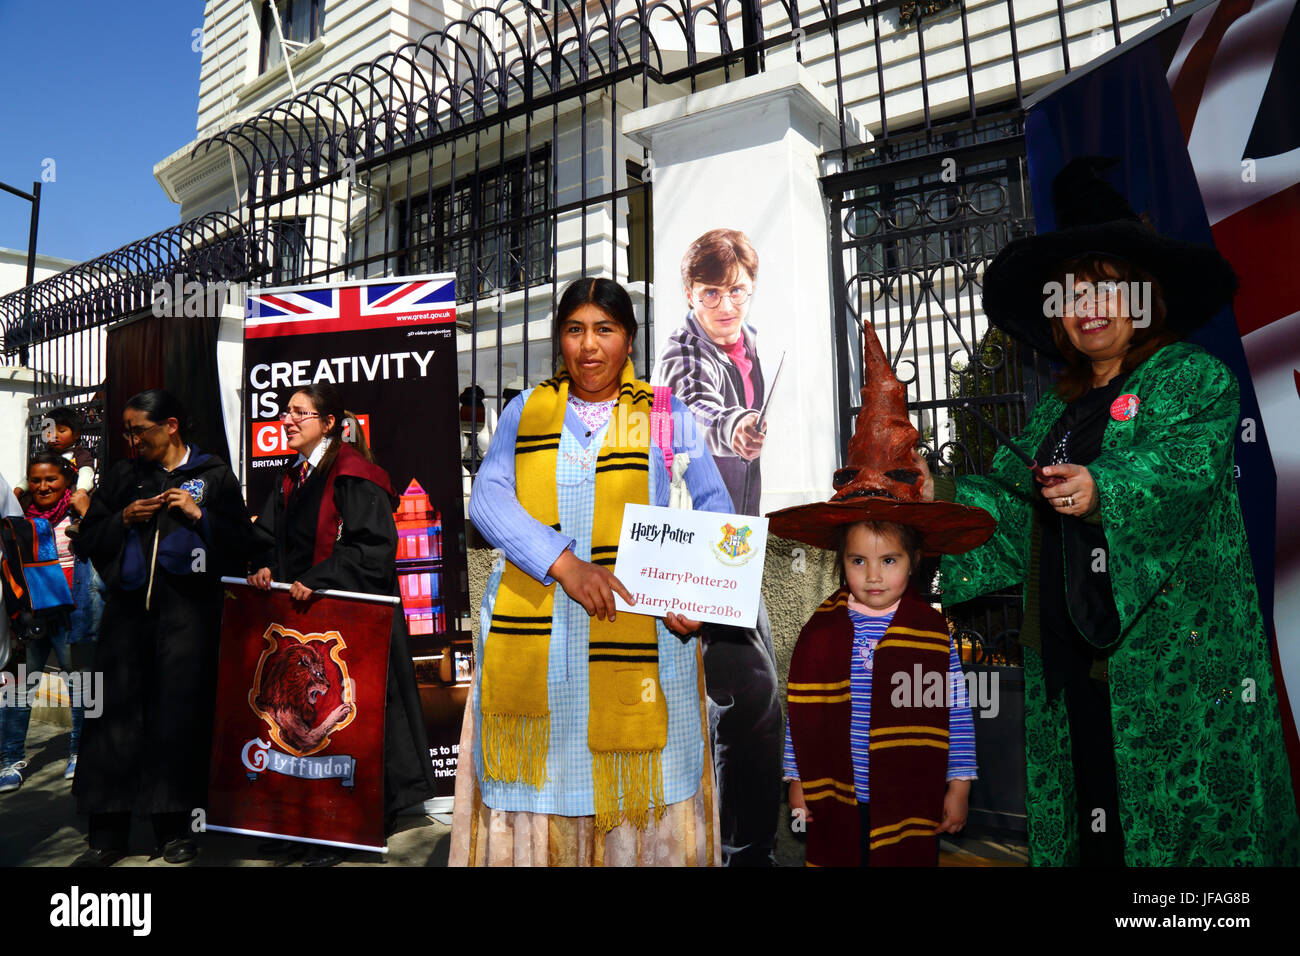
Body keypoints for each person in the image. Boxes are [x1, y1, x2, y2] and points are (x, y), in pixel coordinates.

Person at [914, 156, 1300, 865]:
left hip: (1175, 688)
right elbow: (1007, 514)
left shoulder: (1192, 379)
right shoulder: (1051, 415)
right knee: (1100, 842)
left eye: (1109, 289)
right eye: (1072, 292)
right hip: (1073, 679)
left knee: (1185, 852)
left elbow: (1176, 474)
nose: (1088, 306)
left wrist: (1101, 490)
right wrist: (932, 495)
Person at [450, 276, 734, 866]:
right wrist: (565, 564)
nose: (589, 345)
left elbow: (715, 508)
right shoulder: (528, 410)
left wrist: (700, 599)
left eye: (605, 329)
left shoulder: (659, 412)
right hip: (540, 645)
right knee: (541, 795)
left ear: (629, 340)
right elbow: (487, 500)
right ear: (561, 340)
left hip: (642, 636)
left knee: (638, 803)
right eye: (575, 330)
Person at [767, 316, 992, 866]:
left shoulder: (929, 632)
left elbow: (955, 711)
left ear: (914, 563)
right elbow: (803, 716)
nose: (872, 575)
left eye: (888, 561)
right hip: (838, 793)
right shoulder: (820, 634)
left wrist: (959, 783)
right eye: (858, 561)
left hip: (908, 794)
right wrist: (795, 780)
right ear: (839, 560)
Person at [247, 382, 437, 866]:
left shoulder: (357, 475)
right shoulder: (292, 476)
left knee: (360, 719)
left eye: (299, 414)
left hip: (356, 623)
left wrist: (318, 577)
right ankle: (310, 819)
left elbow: (372, 550)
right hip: (305, 622)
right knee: (308, 727)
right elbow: (269, 535)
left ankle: (360, 822)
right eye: (285, 413)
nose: (287, 421)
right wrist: (266, 563)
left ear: (329, 423)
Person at [70, 389, 256, 866]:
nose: (132, 440)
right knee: (114, 722)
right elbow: (89, 538)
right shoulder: (125, 477)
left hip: (187, 623)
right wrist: (121, 520)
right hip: (127, 623)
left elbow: (241, 545)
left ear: (170, 425)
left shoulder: (213, 476)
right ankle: (107, 835)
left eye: (140, 430)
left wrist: (200, 516)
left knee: (178, 724)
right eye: (127, 432)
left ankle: (176, 830)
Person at [652, 228, 782, 865]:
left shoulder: (750, 344)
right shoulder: (677, 355)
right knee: (750, 697)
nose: (726, 306)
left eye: (737, 291)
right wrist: (734, 427)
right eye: (712, 294)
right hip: (701, 550)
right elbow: (680, 421)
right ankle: (742, 852)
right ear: (689, 294)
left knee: (741, 703)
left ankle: (734, 847)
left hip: (739, 544)